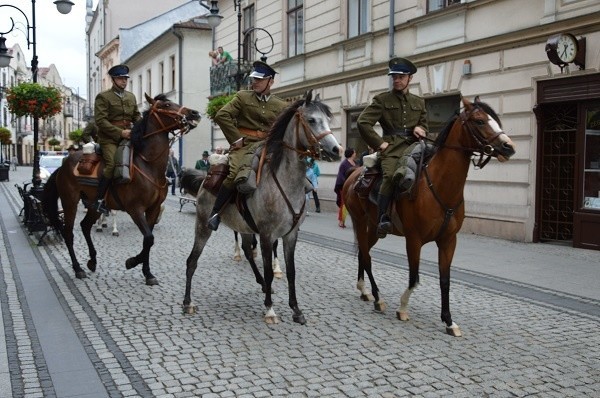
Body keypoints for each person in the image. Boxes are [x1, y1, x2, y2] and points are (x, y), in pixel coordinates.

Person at [208, 61, 288, 231]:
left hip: (269, 145)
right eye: (254, 79)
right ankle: (216, 213)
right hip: (245, 145)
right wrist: (235, 139)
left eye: (259, 79)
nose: (255, 82)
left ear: (270, 82)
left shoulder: (281, 105)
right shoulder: (243, 97)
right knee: (234, 172)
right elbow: (222, 115)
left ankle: (290, 214)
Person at [357, 57, 428, 238]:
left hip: (415, 146)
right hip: (391, 148)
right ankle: (383, 219)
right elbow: (363, 122)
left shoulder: (419, 102)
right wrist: (379, 144)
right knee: (390, 176)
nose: (396, 80)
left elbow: (424, 125)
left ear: (410, 78)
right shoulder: (382, 100)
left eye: (401, 77)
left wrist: (422, 129)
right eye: (394, 77)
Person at [93, 64, 141, 215]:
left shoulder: (131, 96)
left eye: (125, 78)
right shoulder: (103, 97)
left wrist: (142, 126)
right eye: (120, 78)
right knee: (112, 165)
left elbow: (136, 116)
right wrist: (121, 133)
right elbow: (101, 121)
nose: (124, 81)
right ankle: (100, 200)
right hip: (109, 139)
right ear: (113, 79)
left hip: (129, 136)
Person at [334, 148, 358, 228]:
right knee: (344, 204)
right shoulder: (344, 164)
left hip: (355, 187)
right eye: (354, 152)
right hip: (345, 187)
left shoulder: (356, 163)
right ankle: (341, 220)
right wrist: (347, 183)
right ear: (351, 153)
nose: (355, 154)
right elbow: (340, 176)